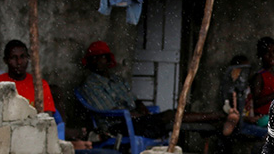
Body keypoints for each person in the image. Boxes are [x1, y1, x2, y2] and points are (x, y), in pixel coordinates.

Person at [78, 40, 233, 139]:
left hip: (136, 119)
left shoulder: (118, 81)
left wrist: (140, 107)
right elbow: (108, 111)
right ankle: (215, 116)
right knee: (169, 116)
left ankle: (216, 121)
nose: (99, 61)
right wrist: (133, 114)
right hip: (118, 125)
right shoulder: (90, 85)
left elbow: (133, 99)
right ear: (90, 62)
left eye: (102, 57)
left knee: (169, 118)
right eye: (95, 58)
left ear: (108, 59)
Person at [0, 40, 56, 113]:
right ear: (5, 60)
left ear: (28, 58)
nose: (19, 62)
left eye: (22, 57)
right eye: (13, 57)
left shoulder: (40, 85)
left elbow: (47, 117)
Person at [250, 36, 274, 127]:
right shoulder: (259, 76)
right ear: (260, 56)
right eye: (267, 52)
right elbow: (255, 102)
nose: (272, 56)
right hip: (264, 117)